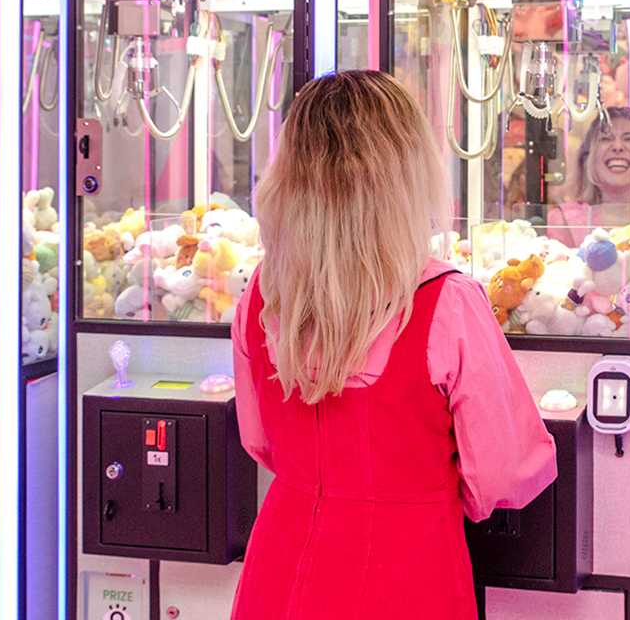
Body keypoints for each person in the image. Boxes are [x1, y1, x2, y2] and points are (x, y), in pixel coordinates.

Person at [230, 70, 556, 619]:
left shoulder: (262, 293)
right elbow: (505, 475)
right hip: (407, 574)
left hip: (280, 567)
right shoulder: (446, 302)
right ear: (404, 174)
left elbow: (259, 441)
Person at [546, 106, 630, 245]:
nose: (618, 146)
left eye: (629, 138)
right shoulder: (562, 222)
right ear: (588, 158)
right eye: (606, 138)